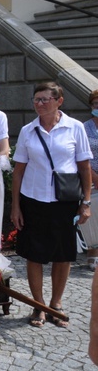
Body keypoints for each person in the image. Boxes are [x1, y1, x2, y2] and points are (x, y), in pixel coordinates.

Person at [11, 81, 92, 328]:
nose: (40, 103)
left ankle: (55, 304)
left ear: (59, 101)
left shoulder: (75, 127)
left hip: (63, 202)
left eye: (46, 99)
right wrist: (15, 206)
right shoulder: (28, 130)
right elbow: (18, 171)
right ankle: (39, 305)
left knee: (63, 254)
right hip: (33, 200)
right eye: (36, 99)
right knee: (34, 254)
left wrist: (86, 202)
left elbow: (84, 167)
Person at [83, 90, 98, 271]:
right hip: (90, 175)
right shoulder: (85, 127)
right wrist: (93, 175)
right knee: (92, 213)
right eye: (95, 104)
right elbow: (81, 155)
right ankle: (92, 251)